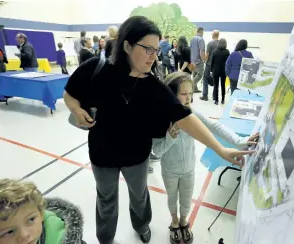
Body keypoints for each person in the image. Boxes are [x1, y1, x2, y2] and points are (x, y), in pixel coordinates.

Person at [63, 16, 253, 244]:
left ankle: (141, 225)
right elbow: (70, 93)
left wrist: (221, 150)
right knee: (106, 199)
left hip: (136, 157)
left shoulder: (153, 87)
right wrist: (75, 109)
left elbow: (185, 118)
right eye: (148, 49)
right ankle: (105, 237)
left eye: (156, 49)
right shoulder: (96, 68)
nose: (155, 56)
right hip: (102, 155)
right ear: (127, 45)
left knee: (139, 196)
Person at [152, 72, 259, 244]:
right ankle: (174, 222)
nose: (188, 99)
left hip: (189, 169)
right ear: (171, 95)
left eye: (190, 93)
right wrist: (170, 138)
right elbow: (157, 151)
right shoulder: (159, 120)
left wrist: (240, 140)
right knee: (172, 199)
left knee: (186, 199)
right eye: (183, 94)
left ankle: (183, 222)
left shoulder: (190, 115)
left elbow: (214, 126)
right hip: (169, 170)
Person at [0, 178, 86, 244]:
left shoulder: (63, 238)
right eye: (9, 232)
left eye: (31, 220)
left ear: (41, 213)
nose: (24, 235)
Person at [200, 30, 220, 101]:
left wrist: (205, 61)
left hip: (209, 65)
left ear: (213, 35)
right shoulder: (221, 43)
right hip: (217, 66)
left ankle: (205, 95)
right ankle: (215, 97)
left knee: (205, 79)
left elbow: (207, 54)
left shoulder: (210, 43)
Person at [211, 38, 230, 105]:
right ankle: (223, 99)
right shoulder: (227, 52)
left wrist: (211, 70)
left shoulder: (215, 51)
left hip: (215, 70)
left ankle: (216, 100)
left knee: (216, 86)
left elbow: (212, 62)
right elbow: (228, 62)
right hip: (223, 71)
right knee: (223, 85)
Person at [190, 27, 206, 93]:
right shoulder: (201, 39)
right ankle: (191, 86)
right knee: (200, 74)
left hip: (192, 60)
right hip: (199, 61)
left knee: (194, 74)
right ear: (201, 32)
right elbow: (201, 51)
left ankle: (195, 89)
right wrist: (204, 60)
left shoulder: (192, 39)